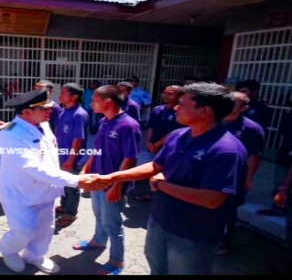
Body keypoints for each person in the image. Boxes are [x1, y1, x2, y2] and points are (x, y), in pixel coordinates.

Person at [96, 83, 248, 275]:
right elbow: (155, 166)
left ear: (205, 111)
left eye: (182, 104)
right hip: (160, 221)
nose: (176, 107)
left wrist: (160, 184)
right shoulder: (178, 135)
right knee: (157, 269)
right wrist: (111, 177)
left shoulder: (226, 149)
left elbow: (212, 199)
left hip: (192, 234)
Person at [0, 88, 109, 274]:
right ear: (26, 112)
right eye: (44, 108)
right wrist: (76, 180)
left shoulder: (43, 124)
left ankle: (35, 255)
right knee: (23, 229)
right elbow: (33, 167)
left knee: (45, 228)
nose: (51, 110)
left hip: (47, 190)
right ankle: (9, 250)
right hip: (21, 193)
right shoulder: (9, 134)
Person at [74, 85, 142, 275]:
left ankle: (117, 261)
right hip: (98, 180)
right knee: (98, 215)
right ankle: (98, 241)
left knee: (113, 224)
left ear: (108, 102)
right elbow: (97, 150)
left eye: (94, 99)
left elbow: (130, 159)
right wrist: (85, 170)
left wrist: (117, 187)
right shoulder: (105, 121)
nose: (90, 103)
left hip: (113, 184)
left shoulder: (129, 125)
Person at [219, 91, 265, 255]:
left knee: (228, 208)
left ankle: (223, 242)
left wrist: (248, 178)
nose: (229, 105)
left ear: (244, 108)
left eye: (234, 103)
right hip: (211, 172)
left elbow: (255, 155)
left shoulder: (251, 128)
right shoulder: (216, 121)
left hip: (234, 176)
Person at [136, 85, 185, 202]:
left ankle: (163, 195)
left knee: (166, 172)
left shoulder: (180, 112)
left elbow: (174, 132)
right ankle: (152, 193)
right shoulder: (157, 109)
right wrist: (149, 142)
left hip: (169, 148)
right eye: (165, 92)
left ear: (179, 96)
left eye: (170, 93)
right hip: (153, 146)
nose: (166, 95)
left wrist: (158, 143)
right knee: (153, 169)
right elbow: (151, 127)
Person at [54, 83, 89, 226]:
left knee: (72, 186)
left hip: (72, 157)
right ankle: (64, 206)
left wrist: (71, 159)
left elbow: (78, 139)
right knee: (64, 183)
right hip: (61, 155)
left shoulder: (79, 114)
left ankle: (71, 213)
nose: (60, 95)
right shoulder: (63, 111)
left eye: (64, 93)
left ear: (74, 97)